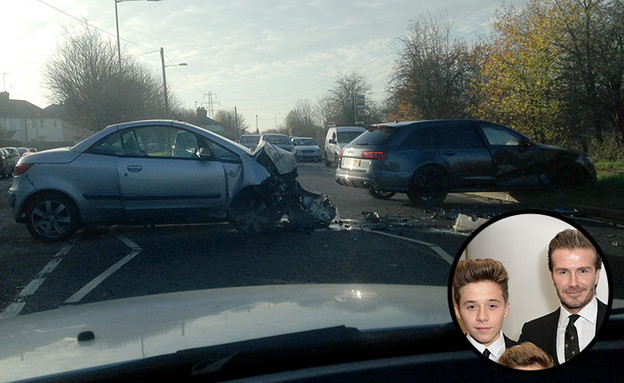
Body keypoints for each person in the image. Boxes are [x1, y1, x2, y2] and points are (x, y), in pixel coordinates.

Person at [518, 229, 607, 365]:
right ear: (552, 277)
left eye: (583, 271)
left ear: (597, 275)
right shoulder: (532, 333)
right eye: (563, 272)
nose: (573, 283)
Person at [453, 258, 518, 362]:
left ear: (506, 309)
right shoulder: (443, 359)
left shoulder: (531, 361)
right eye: (472, 307)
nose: (482, 317)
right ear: (458, 311)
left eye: (492, 306)